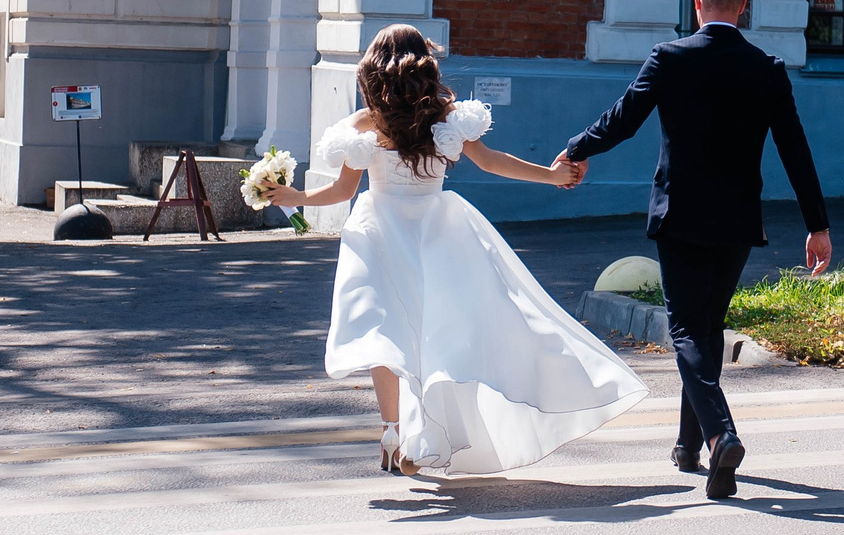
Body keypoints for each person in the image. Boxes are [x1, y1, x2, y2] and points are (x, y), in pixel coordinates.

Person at [268, 24, 646, 476]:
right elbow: (492, 162)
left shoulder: (364, 123)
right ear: (424, 65)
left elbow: (342, 190)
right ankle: (424, 436)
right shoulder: (447, 116)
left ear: (372, 68)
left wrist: (297, 199)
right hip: (438, 230)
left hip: (379, 231)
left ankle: (393, 430)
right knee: (440, 333)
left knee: (386, 334)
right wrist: (552, 176)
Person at [562, 0, 832, 500]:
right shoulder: (767, 68)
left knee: (685, 329)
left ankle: (719, 434)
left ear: (697, 4)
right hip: (736, 222)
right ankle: (690, 448)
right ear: (743, 6)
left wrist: (577, 148)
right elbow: (795, 149)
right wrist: (817, 224)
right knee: (707, 330)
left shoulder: (670, 57)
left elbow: (624, 118)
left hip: (680, 216)